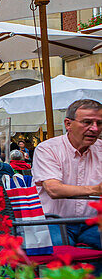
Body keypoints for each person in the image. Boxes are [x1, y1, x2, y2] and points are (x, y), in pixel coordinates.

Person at [32, 99, 102, 249]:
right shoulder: (48, 149)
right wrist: (96, 190)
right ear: (68, 124)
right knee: (63, 254)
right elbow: (54, 189)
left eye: (99, 123)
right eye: (87, 122)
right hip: (53, 221)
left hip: (93, 222)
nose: (95, 129)